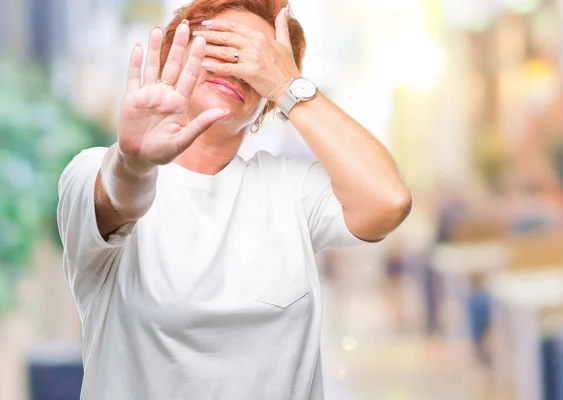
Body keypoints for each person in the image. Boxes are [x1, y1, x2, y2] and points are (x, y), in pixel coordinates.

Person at [57, 1, 412, 398]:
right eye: (220, 48)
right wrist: (134, 161)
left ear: (266, 105)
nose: (236, 69)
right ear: (175, 55)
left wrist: (288, 86)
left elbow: (389, 200)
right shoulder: (90, 170)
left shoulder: (290, 189)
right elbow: (119, 198)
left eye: (257, 63)